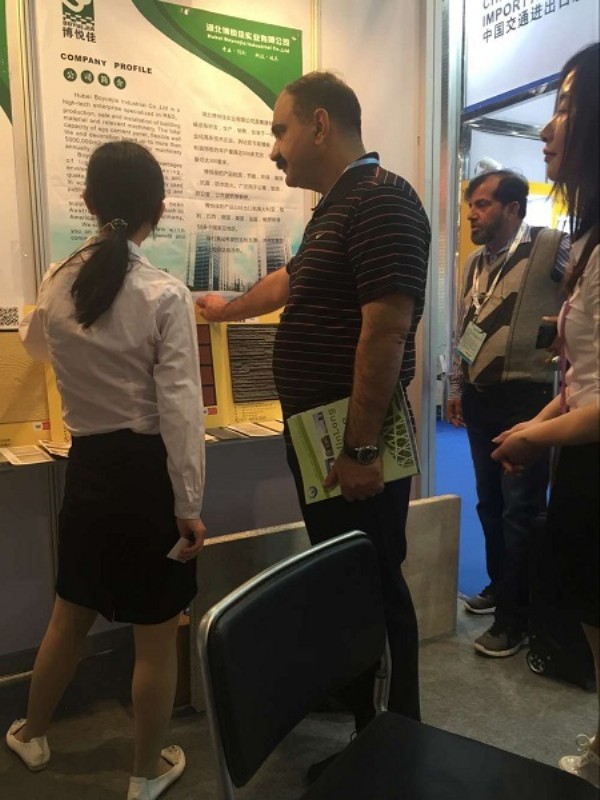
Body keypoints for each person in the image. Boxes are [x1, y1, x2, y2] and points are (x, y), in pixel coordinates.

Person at [197, 70, 430, 767]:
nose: (274, 149)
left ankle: (396, 732)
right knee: (343, 577)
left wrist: (359, 450)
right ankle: (358, 702)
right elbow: (291, 279)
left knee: (376, 579)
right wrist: (227, 309)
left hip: (354, 442)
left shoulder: (384, 200)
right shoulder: (336, 207)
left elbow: (386, 333)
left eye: (280, 130)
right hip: (320, 438)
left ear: (320, 125)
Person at [6, 141, 207, 800]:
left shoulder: (57, 281)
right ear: (159, 210)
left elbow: (37, 344)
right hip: (149, 478)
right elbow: (181, 413)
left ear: (88, 203)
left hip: (89, 470)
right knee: (155, 637)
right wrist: (190, 505)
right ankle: (145, 774)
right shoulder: (165, 294)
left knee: (70, 615)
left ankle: (32, 733)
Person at [492, 42, 599, 789]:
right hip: (581, 458)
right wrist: (546, 417)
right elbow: (586, 375)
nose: (546, 127)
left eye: (564, 106)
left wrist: (538, 431)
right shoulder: (587, 239)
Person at [447, 169, 568, 657]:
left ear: (513, 208)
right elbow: (465, 327)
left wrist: (565, 328)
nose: (472, 215)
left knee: (521, 509)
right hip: (481, 398)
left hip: (528, 400)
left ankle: (516, 620)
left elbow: (587, 294)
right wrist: (456, 386)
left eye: (482, 205)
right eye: (471, 206)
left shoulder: (551, 246)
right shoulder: (475, 262)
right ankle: (502, 588)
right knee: (490, 503)